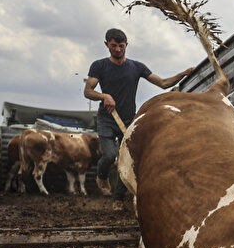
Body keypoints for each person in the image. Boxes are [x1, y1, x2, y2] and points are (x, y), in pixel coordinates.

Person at [83, 28, 195, 210]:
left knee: (127, 159)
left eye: (121, 46)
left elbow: (163, 83)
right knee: (110, 155)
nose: (118, 50)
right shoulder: (99, 66)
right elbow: (88, 91)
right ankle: (101, 176)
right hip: (107, 118)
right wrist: (104, 96)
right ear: (107, 45)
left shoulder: (137, 67)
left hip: (128, 121)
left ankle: (118, 199)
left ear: (126, 45)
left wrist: (182, 74)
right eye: (113, 46)